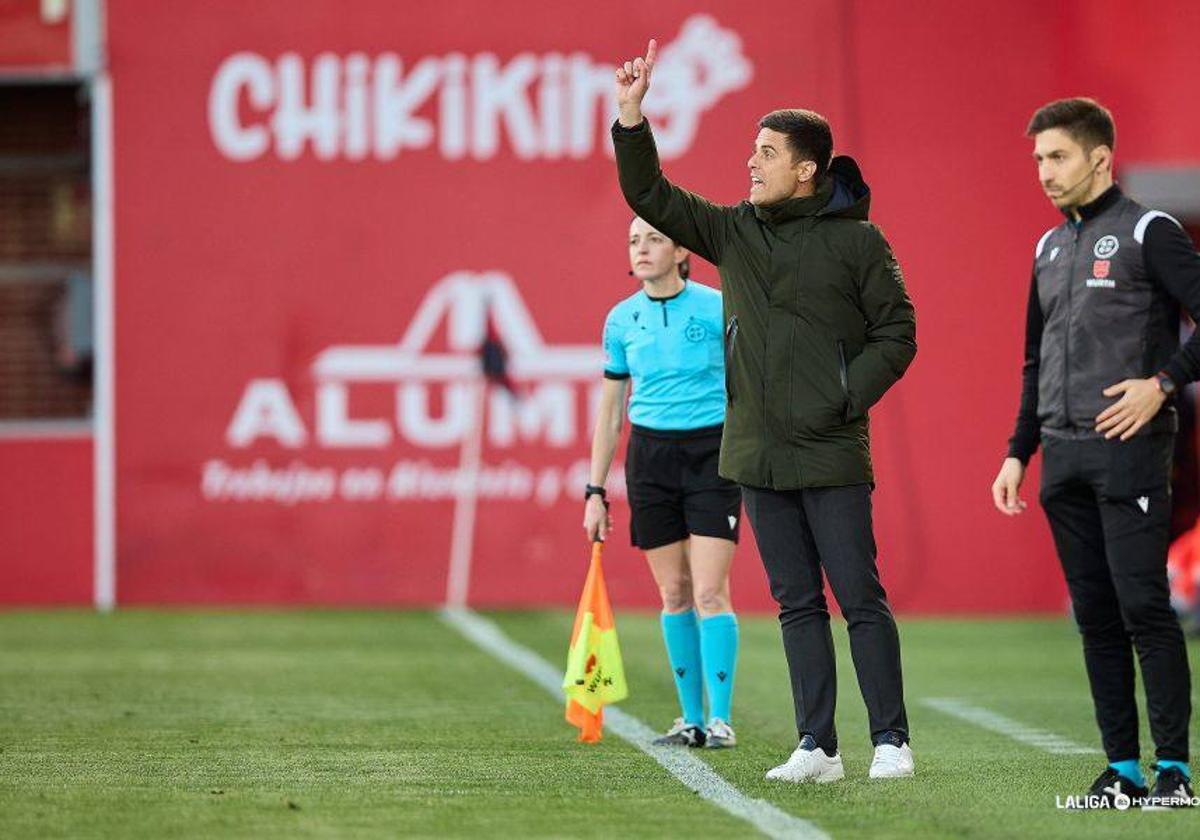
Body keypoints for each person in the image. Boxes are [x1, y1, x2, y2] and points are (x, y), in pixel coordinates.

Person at [610, 40, 917, 782]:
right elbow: (652, 197)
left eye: (767, 152)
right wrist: (630, 115)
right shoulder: (734, 229)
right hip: (756, 451)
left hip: (832, 449)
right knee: (793, 602)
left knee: (860, 598)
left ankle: (891, 741)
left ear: (807, 169)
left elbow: (898, 332)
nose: (752, 163)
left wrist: (842, 396)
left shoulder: (859, 242)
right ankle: (818, 747)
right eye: (753, 150)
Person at [992, 97, 1200, 810]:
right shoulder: (1047, 248)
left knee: (1144, 607)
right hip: (1062, 457)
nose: (1044, 173)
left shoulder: (1150, 231)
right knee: (1096, 617)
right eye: (1039, 160)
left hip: (1132, 453)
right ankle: (1124, 770)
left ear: (1100, 158)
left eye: (1057, 157)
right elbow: (1033, 359)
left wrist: (1162, 383)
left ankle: (1173, 769)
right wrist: (1019, 451)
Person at [583, 216, 741, 749]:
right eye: (633, 240)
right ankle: (690, 718)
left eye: (654, 238)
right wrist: (595, 490)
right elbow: (610, 414)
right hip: (650, 459)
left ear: (680, 251)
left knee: (711, 589)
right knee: (674, 592)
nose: (642, 248)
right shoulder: (620, 319)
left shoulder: (717, 305)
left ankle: (720, 720)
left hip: (713, 455)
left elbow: (748, 384)